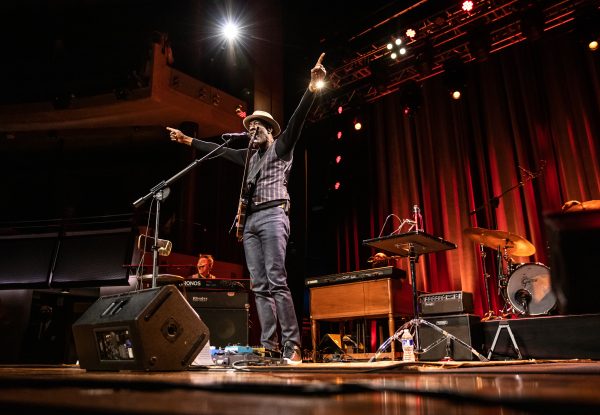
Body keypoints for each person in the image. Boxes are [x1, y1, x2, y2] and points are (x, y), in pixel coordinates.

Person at [166, 53, 326, 364]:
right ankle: (270, 346)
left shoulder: (282, 147)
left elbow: (298, 119)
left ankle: (293, 347)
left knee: (277, 279)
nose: (253, 130)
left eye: (258, 127)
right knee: (260, 285)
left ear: (269, 131)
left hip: (274, 215)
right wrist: (189, 141)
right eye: (250, 127)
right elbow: (217, 152)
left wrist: (311, 86)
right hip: (250, 222)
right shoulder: (247, 158)